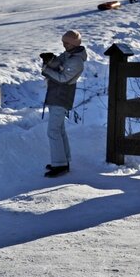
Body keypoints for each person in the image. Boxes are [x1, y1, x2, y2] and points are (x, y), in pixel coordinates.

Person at [41, 30, 87, 177]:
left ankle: (60, 164)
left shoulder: (76, 61)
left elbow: (64, 78)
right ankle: (63, 161)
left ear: (74, 43)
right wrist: (51, 59)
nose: (64, 44)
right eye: (63, 42)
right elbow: (59, 65)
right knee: (59, 130)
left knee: (53, 131)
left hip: (61, 96)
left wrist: (46, 70)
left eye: (66, 42)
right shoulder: (68, 55)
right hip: (56, 95)